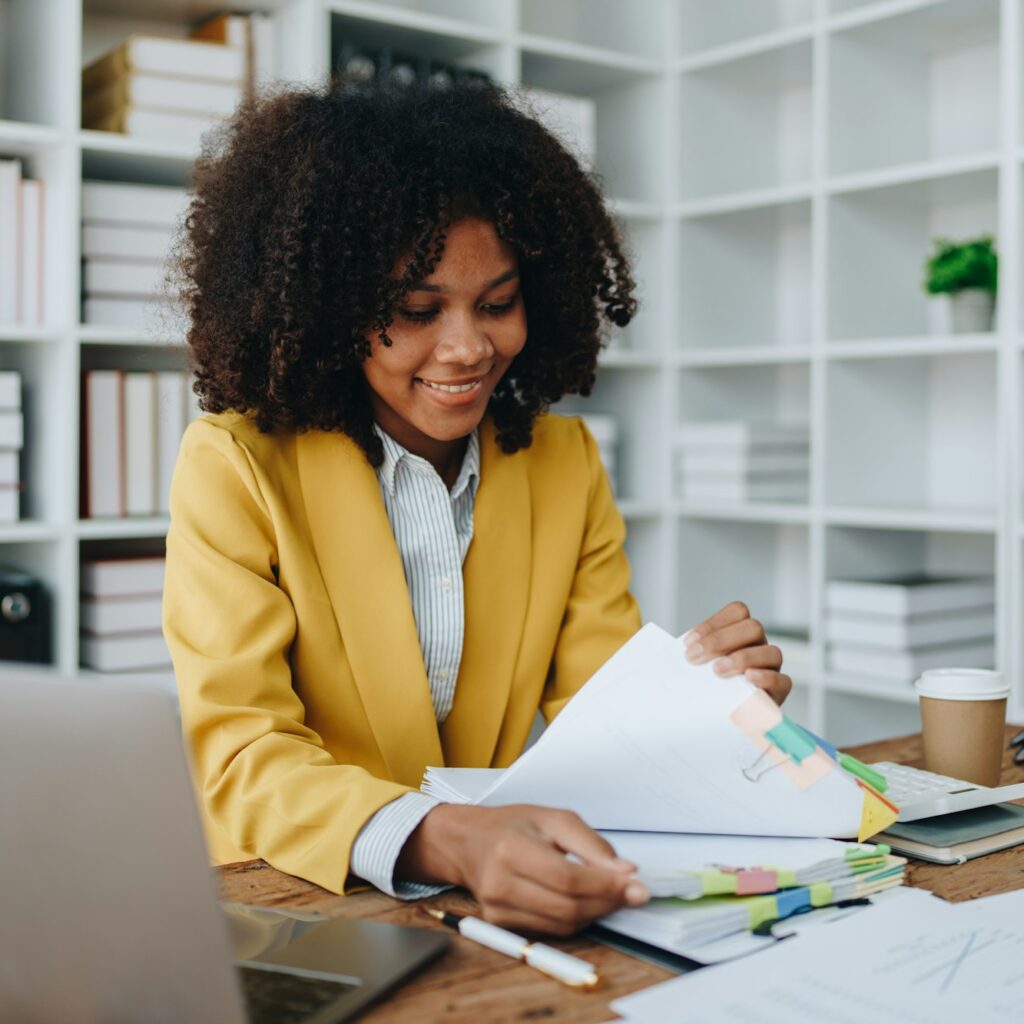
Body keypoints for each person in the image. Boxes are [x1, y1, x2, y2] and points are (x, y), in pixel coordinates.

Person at [163, 77, 792, 938]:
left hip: (494, 911)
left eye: (497, 303)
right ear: (328, 310)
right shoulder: (236, 466)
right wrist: (452, 839)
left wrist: (702, 708)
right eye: (415, 312)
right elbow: (242, 755)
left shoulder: (564, 464)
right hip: (295, 908)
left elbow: (596, 718)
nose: (467, 348)